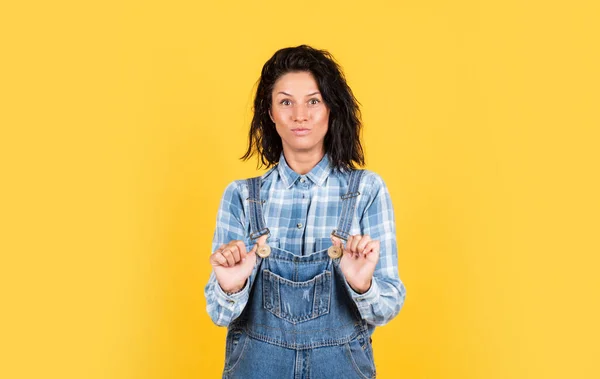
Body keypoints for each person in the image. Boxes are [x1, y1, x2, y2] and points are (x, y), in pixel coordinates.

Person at [204, 45, 406, 379]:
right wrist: (230, 287)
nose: (300, 114)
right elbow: (219, 313)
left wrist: (362, 285)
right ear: (270, 112)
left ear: (330, 108)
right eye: (286, 102)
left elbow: (387, 307)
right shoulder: (240, 196)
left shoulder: (367, 190)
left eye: (313, 101)